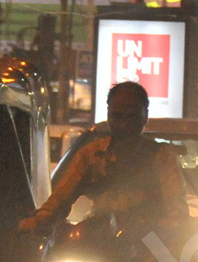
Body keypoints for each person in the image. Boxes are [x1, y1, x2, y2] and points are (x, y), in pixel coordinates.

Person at [19, 80, 189, 235]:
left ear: (145, 116)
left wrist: (169, 225)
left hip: (150, 244)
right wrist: (41, 218)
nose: (124, 125)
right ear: (108, 114)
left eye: (131, 117)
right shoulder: (92, 154)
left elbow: (177, 207)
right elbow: (60, 197)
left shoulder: (161, 156)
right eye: (117, 116)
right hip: (100, 239)